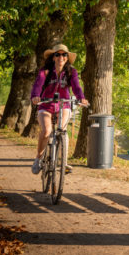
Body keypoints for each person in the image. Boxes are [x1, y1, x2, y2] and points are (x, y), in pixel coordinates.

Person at [30, 44, 88, 174]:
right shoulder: (44, 71)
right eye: (58, 54)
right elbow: (38, 85)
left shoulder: (71, 72)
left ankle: (63, 162)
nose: (61, 57)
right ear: (53, 57)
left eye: (64, 55)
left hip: (64, 105)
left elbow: (76, 87)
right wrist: (35, 97)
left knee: (62, 131)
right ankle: (38, 158)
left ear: (67, 58)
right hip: (46, 105)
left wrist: (81, 98)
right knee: (46, 131)